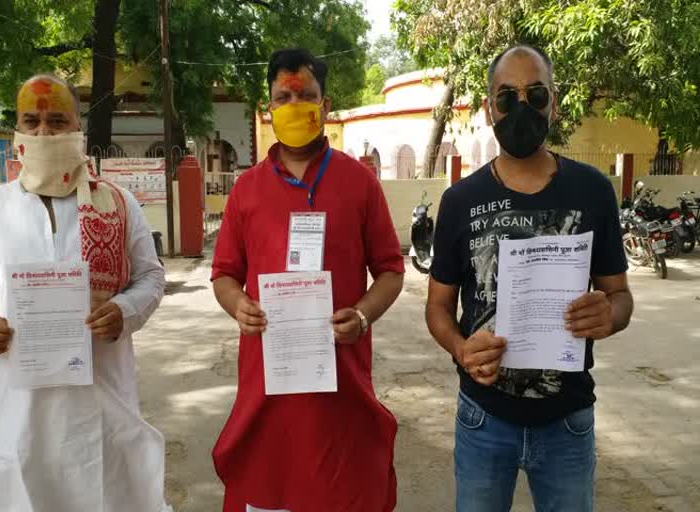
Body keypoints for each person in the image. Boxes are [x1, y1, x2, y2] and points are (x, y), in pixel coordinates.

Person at [0, 74, 172, 512]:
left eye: (57, 120)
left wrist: (124, 310)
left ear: (77, 127)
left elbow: (151, 276)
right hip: (22, 409)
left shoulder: (119, 204)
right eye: (31, 121)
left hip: (103, 400)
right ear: (16, 130)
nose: (44, 132)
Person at [426, 45, 633, 512]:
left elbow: (620, 297)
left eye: (535, 94)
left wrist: (609, 313)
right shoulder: (460, 200)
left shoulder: (593, 190)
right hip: (484, 418)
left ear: (553, 103)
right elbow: (438, 307)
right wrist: (461, 349)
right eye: (506, 97)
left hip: (567, 420)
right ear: (488, 108)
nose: (521, 107)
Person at [211, 48, 405, 512]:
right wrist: (238, 305)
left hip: (341, 386)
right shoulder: (246, 189)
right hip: (267, 386)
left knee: (344, 494)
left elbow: (391, 271)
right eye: (284, 97)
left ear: (326, 105)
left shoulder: (359, 183)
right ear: (269, 108)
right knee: (268, 494)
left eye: (306, 96)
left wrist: (362, 314)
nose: (295, 105)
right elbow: (224, 275)